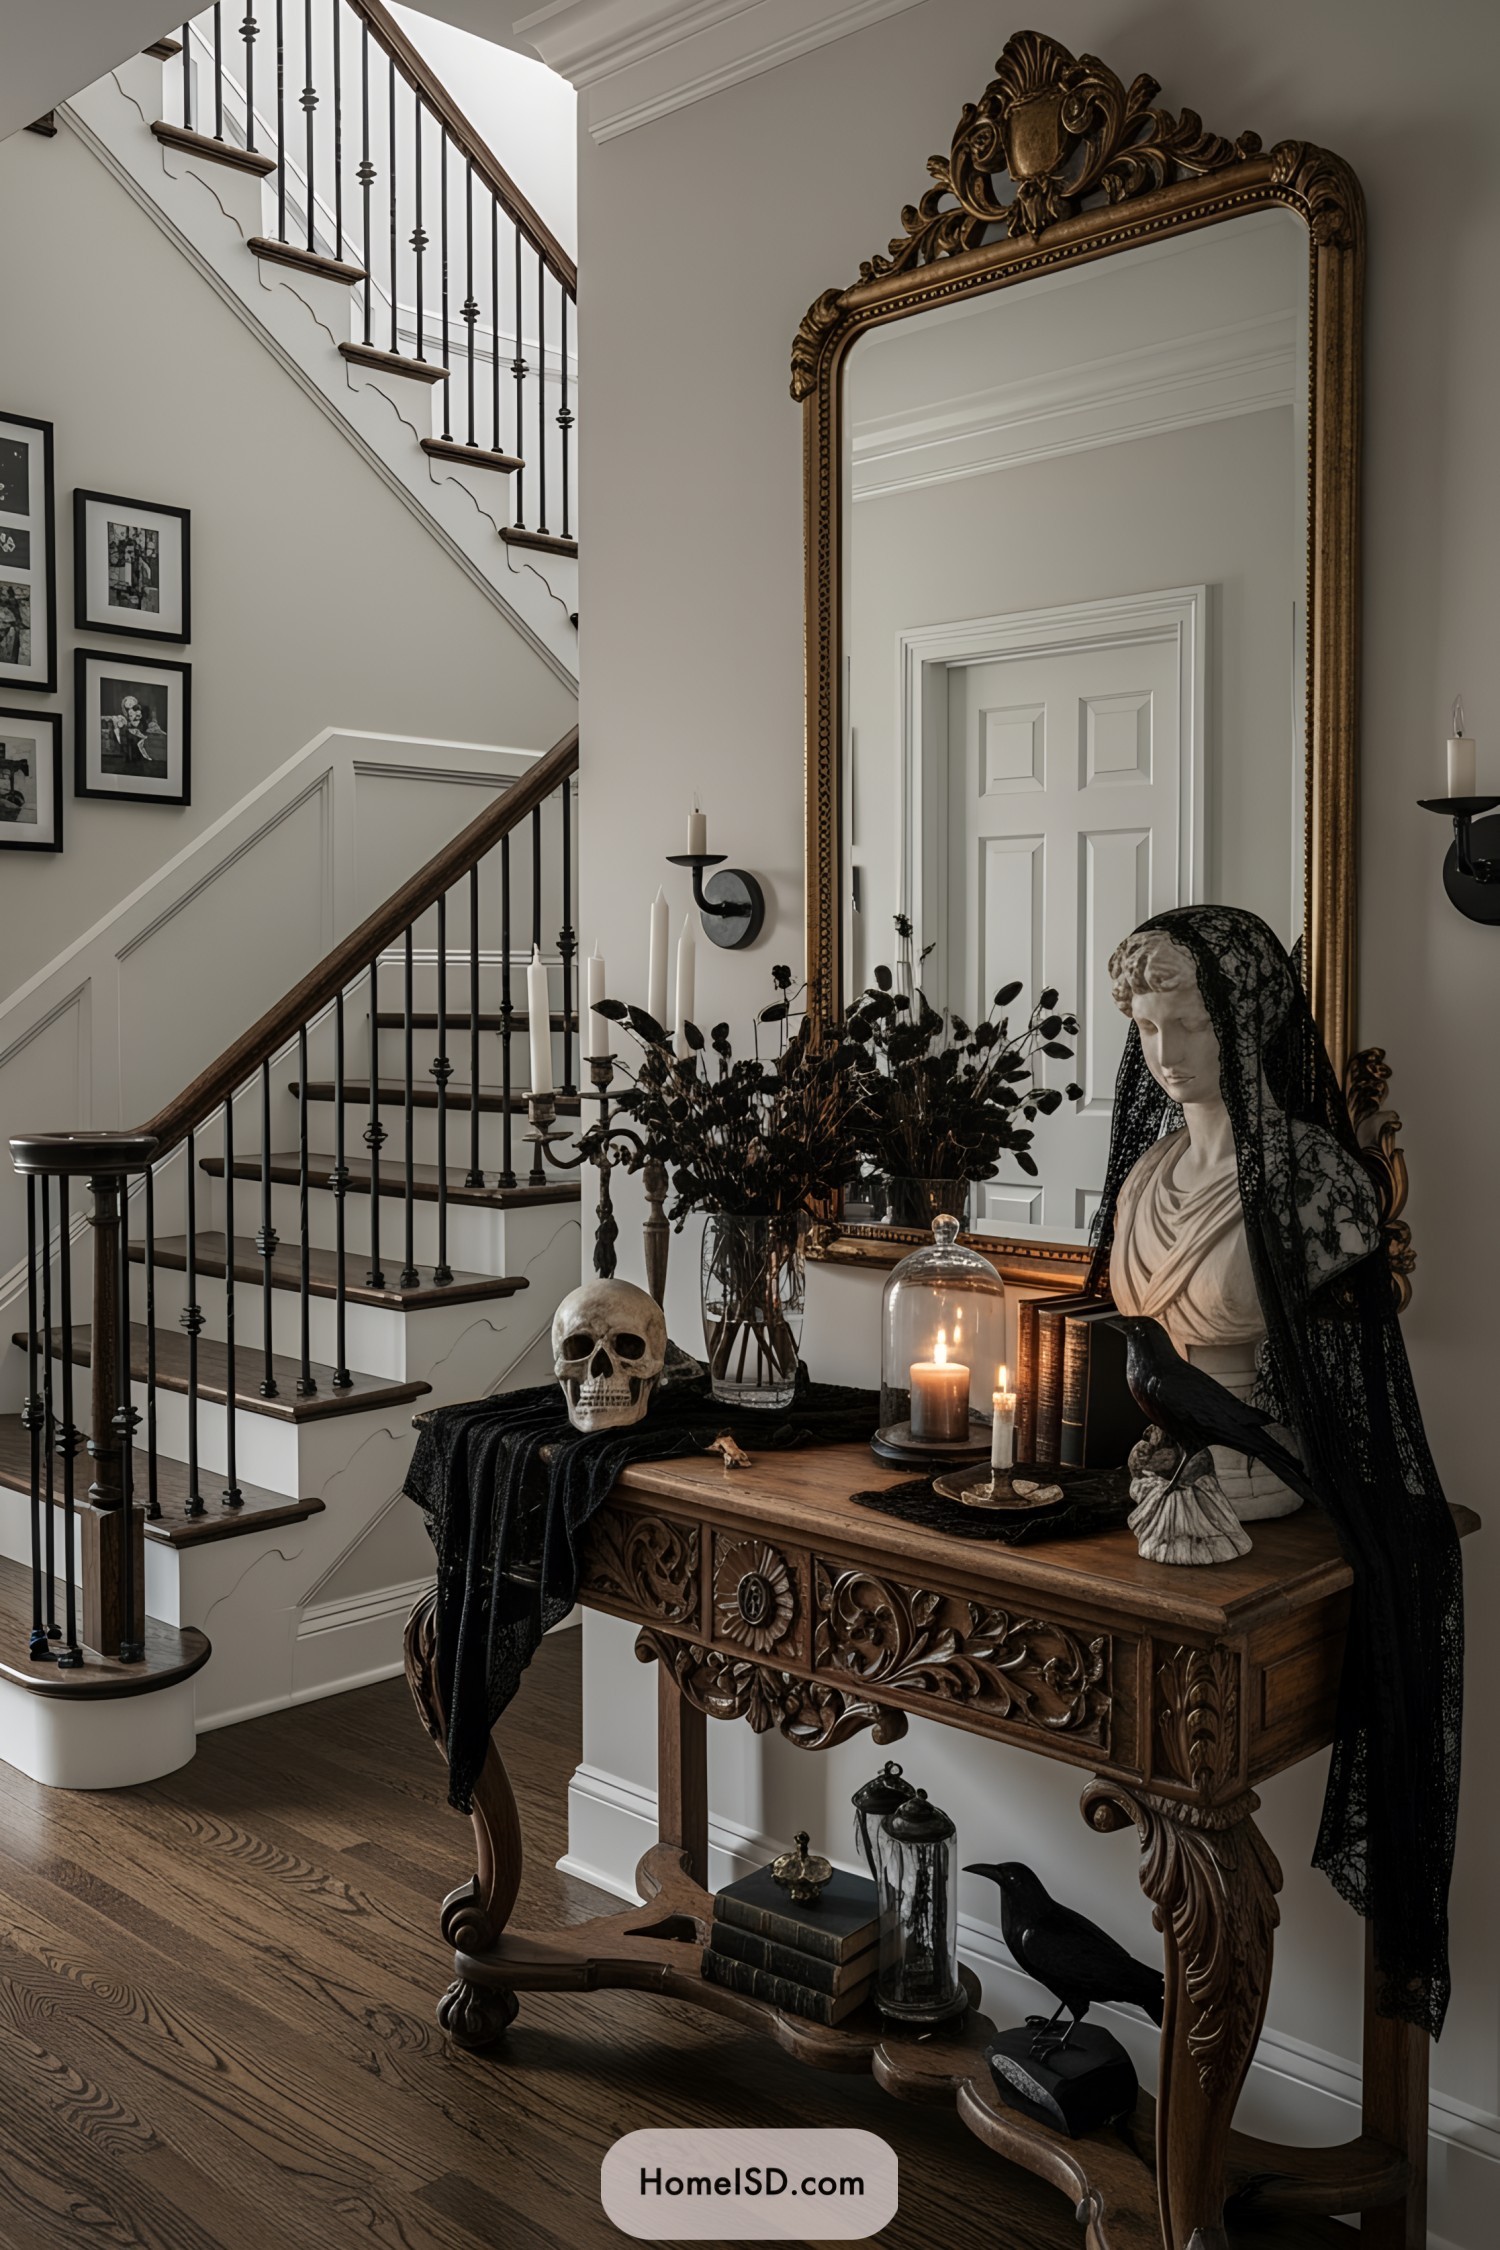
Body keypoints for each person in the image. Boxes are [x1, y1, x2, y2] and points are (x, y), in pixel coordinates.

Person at [1089, 902, 1462, 2040]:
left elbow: (1348, 1380)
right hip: (1161, 1486)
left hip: (1266, 1490)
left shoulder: (1314, 1183)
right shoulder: (1147, 1172)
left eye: (1186, 1022)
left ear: (1245, 1021)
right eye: (1145, 1026)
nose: (1163, 1050)